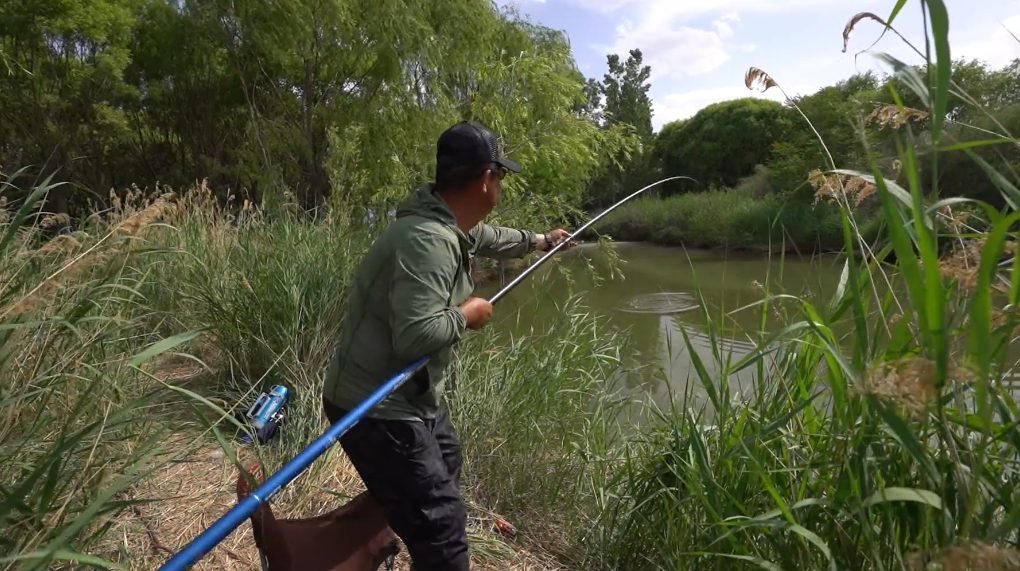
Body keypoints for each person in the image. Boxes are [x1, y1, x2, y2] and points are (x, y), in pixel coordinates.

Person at [321, 120, 575, 570]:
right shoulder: (429, 242)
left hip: (413, 399)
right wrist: (467, 314)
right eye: (500, 177)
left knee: (447, 463)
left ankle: (381, 532)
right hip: (377, 408)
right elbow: (415, 337)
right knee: (443, 530)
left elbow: (487, 238)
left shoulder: (445, 223)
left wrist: (539, 241)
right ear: (485, 179)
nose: (499, 187)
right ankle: (357, 546)